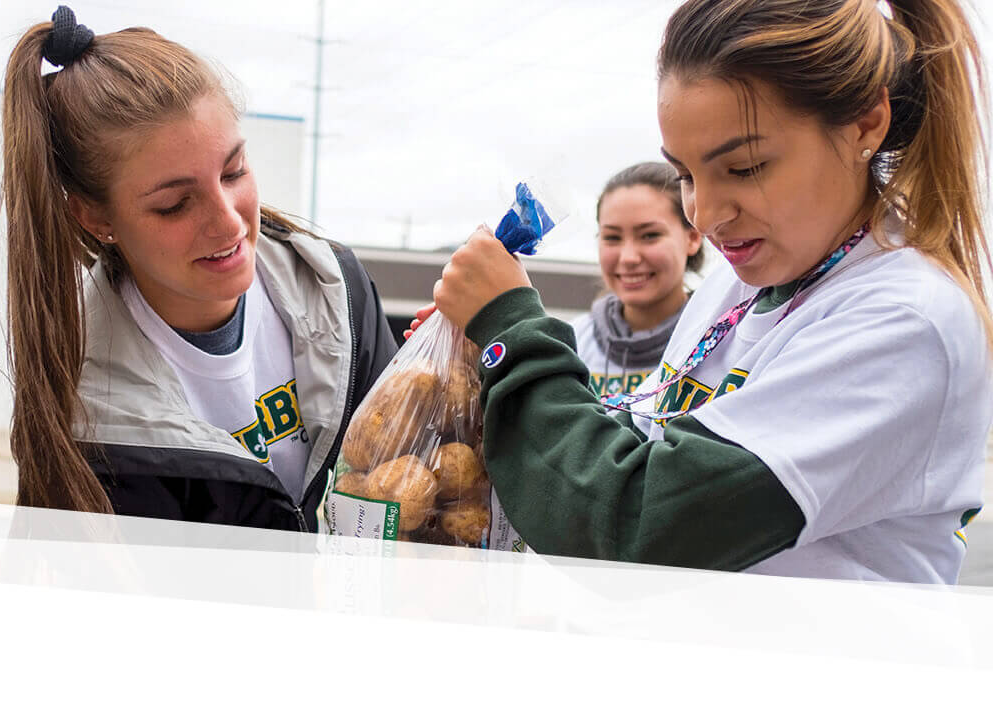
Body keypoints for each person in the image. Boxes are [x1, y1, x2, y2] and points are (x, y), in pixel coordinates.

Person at [423, 0, 991, 583]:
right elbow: (635, 446)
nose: (706, 215)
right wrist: (476, 374)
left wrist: (511, 332)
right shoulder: (741, 282)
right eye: (686, 176)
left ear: (865, 126)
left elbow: (632, 527)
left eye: (744, 168)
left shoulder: (903, 319)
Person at [1, 7, 397, 530]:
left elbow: (411, 478)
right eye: (174, 205)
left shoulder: (335, 292)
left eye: (234, 171)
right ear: (95, 216)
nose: (228, 221)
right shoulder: (94, 416)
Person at [573, 162, 705, 397]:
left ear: (693, 238)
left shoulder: (716, 343)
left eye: (650, 235)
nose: (629, 258)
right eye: (612, 237)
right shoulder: (572, 343)